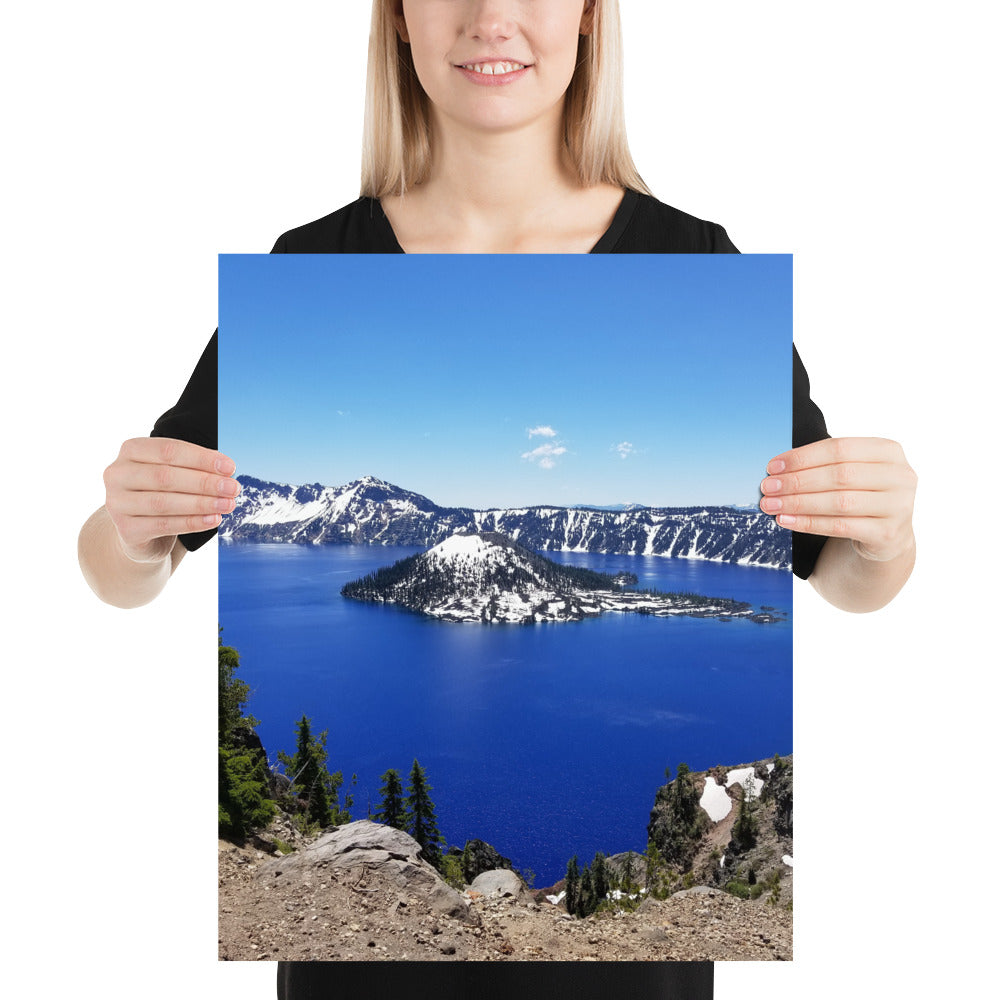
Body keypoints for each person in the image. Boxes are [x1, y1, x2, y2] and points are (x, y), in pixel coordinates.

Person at [77, 1, 916, 997]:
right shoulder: (305, 265)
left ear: (592, 19)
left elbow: (849, 579)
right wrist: (130, 532)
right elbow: (119, 570)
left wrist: (887, 531)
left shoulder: (699, 261)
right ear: (395, 19)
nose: (491, 18)